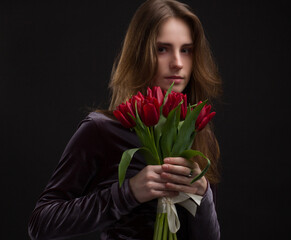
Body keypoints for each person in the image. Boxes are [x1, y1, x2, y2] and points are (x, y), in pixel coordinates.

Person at [28, 0, 222, 239]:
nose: (177, 63)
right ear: (139, 54)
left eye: (186, 50)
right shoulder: (101, 130)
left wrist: (203, 196)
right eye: (162, 49)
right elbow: (41, 223)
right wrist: (127, 193)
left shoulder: (200, 134)